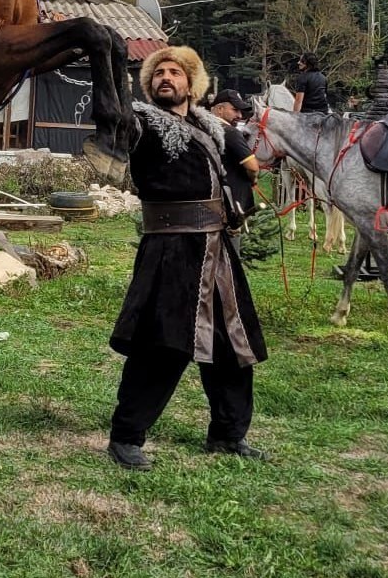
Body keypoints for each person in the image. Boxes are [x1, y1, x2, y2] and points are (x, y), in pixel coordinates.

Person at [106, 47, 268, 471]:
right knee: (161, 345)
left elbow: (244, 161)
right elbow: (116, 119)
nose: (165, 77)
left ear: (191, 83)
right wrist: (103, 62)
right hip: (171, 250)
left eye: (175, 72)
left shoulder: (209, 126)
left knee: (233, 345)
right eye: (158, 72)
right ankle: (126, 436)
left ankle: (228, 434)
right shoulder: (141, 122)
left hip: (218, 250)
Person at [209, 88, 260, 227]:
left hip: (209, 202)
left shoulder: (202, 129)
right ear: (219, 109)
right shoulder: (230, 132)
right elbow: (253, 167)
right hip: (231, 204)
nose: (239, 115)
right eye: (235, 110)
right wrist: (253, 179)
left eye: (241, 111)